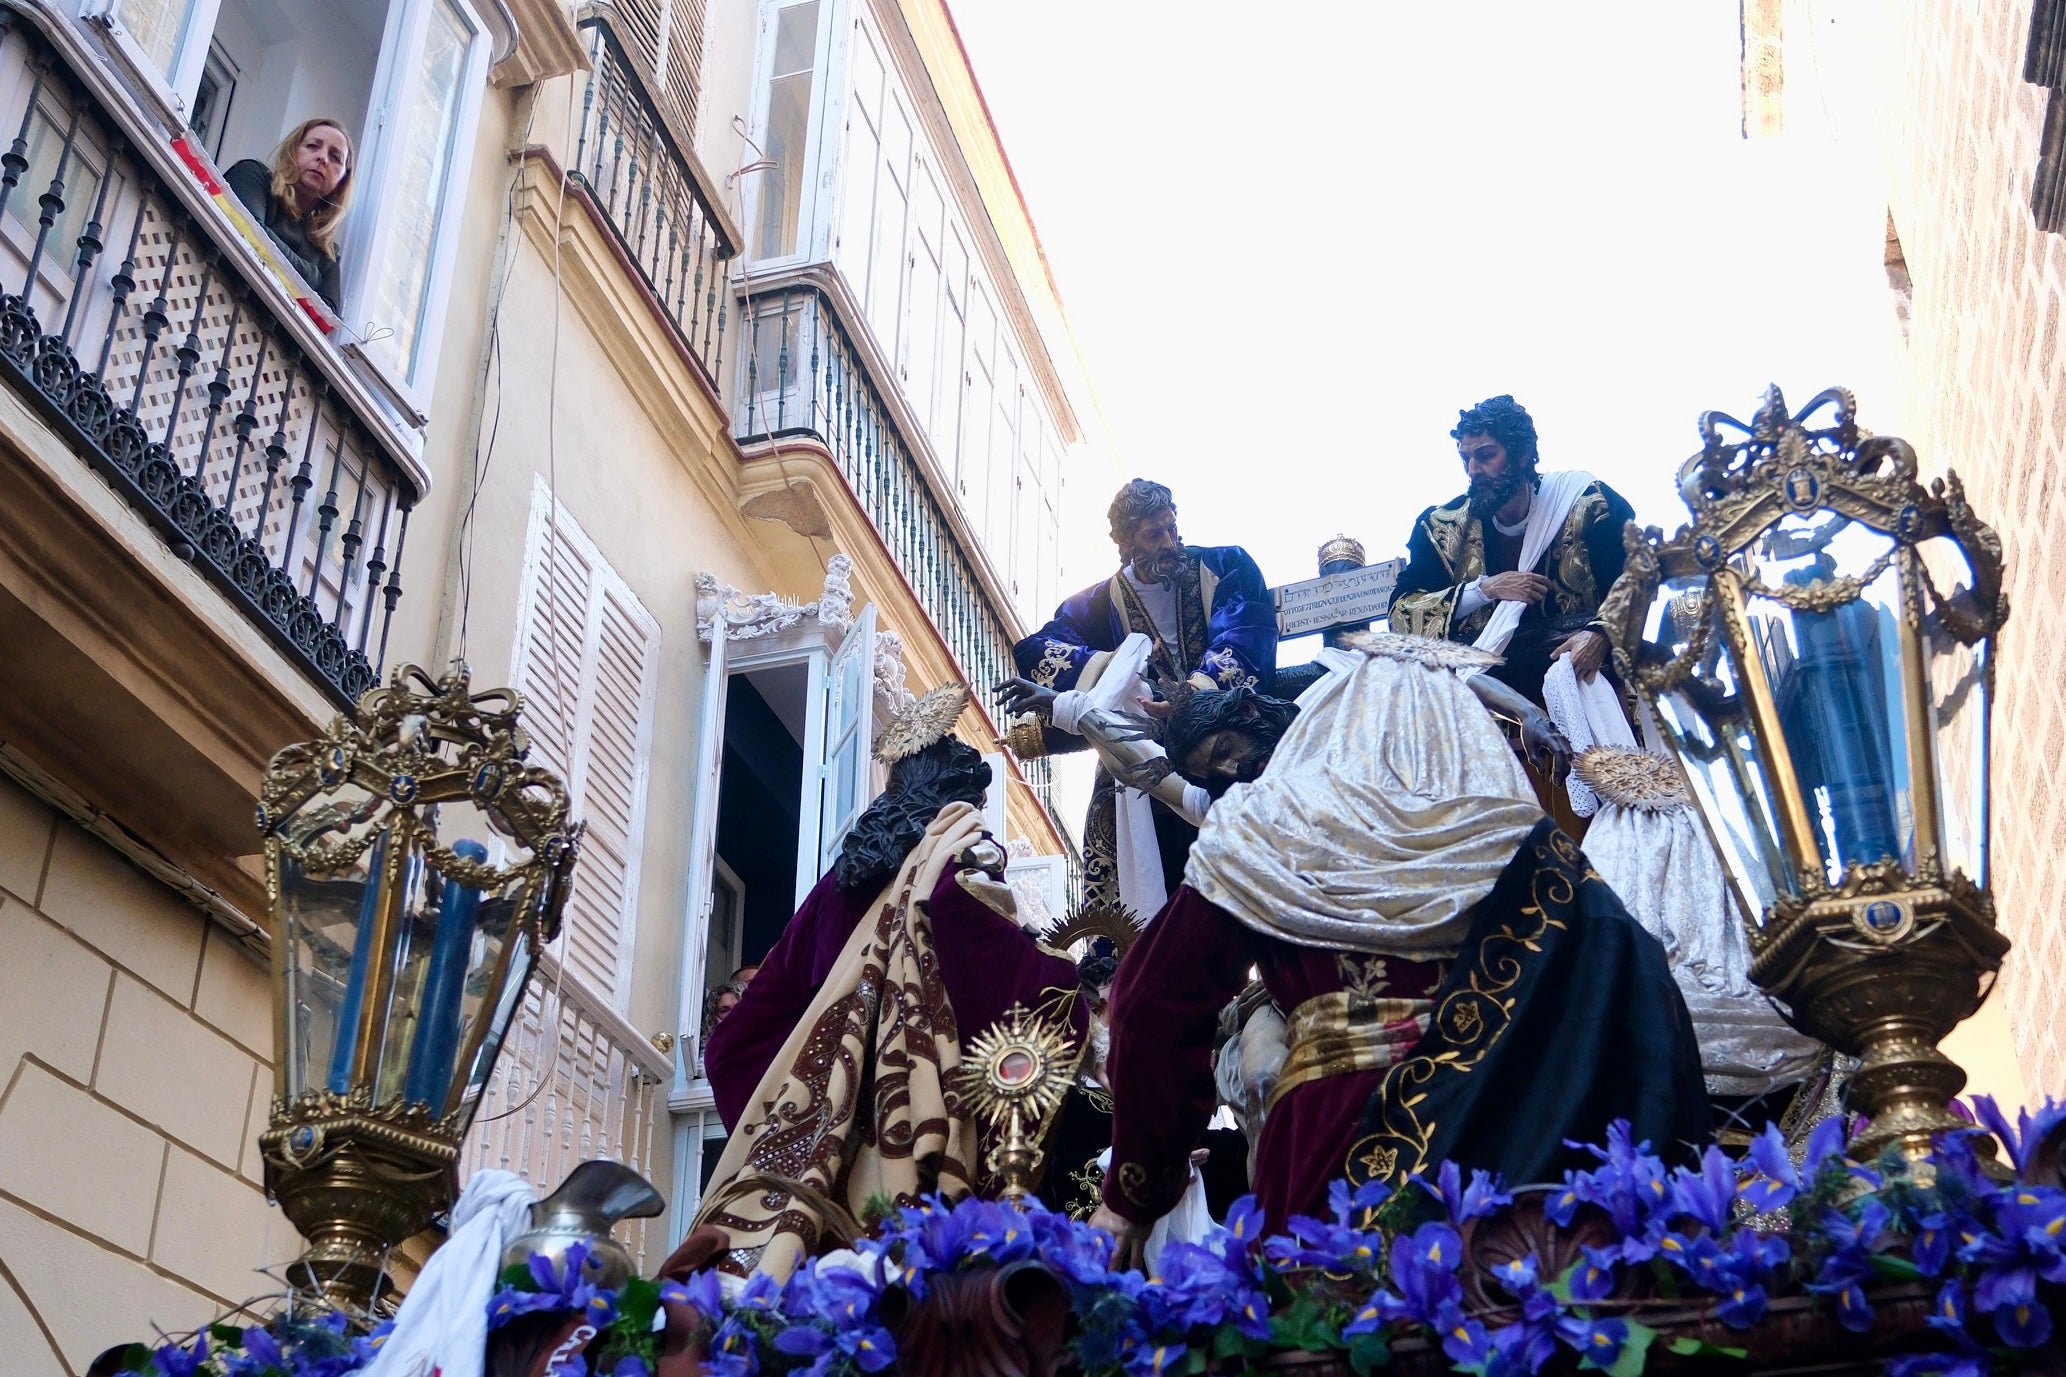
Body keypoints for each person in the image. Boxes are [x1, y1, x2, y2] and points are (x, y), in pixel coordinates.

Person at [1087, 631, 1709, 1257]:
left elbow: (1152, 1004)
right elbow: (1643, 1003)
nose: (1229, 769)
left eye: (1225, 750)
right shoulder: (1528, 847)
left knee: (1333, 1335)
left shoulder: (1266, 831)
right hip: (1520, 1150)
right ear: (1461, 727)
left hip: (1333, 1150)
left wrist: (1135, 1191)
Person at [696, 685, 1086, 1279]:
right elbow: (1026, 999)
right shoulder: (956, 882)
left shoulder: (833, 892)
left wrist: (789, 1128)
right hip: (905, 1170)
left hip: (806, 1181)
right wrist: (1076, 980)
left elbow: (732, 1044)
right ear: (954, 805)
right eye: (974, 802)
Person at [1000, 479, 1276, 916]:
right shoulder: (1095, 604)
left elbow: (1246, 636)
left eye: (1172, 527)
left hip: (1221, 743)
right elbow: (1037, 649)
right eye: (1154, 534)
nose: (1170, 542)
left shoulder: (1226, 565)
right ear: (1124, 541)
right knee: (1128, 870)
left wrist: (1191, 696)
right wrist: (1120, 676)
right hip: (1138, 759)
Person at [1389, 396, 1637, 707]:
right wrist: (1484, 590)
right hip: (1483, 688)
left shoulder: (1587, 503)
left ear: (1522, 454)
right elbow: (1401, 614)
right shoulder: (1441, 528)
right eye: (1466, 458)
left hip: (1582, 672)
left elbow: (1637, 578)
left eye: (1485, 455)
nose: (1473, 470)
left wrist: (1601, 636)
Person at [224, 118, 352, 309]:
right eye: (312, 146)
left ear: (343, 180)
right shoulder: (254, 176)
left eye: (335, 157)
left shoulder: (327, 254)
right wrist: (313, 276)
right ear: (293, 152)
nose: (323, 158)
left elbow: (327, 314)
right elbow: (248, 233)